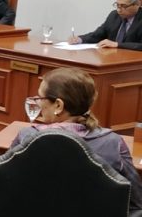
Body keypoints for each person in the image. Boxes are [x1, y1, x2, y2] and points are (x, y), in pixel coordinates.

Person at [11, 67, 142, 209]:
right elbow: (136, 199)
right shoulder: (113, 143)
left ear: (58, 105)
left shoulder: (27, 137)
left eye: (40, 98)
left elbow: (3, 185)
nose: (38, 103)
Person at [68, 0, 142, 50]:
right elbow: (98, 35)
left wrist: (117, 45)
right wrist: (80, 39)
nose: (119, 10)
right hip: (111, 57)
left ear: (138, 4)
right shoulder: (114, 15)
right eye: (117, 5)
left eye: (124, 6)